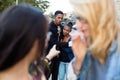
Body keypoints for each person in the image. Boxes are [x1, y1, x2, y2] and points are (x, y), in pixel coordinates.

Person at [67, 0, 120, 80]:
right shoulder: (88, 48)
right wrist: (78, 62)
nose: (78, 25)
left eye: (83, 18)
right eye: (77, 17)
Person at [0, 4, 48, 80]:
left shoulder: (35, 73)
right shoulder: (37, 75)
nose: (46, 44)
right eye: (44, 37)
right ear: (32, 40)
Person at [46, 10, 70, 80]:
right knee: (47, 75)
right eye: (58, 18)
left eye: (61, 18)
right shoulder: (49, 27)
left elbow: (65, 34)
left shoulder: (61, 27)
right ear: (54, 17)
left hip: (58, 56)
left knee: (55, 75)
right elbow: (53, 42)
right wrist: (68, 44)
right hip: (50, 55)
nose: (60, 20)